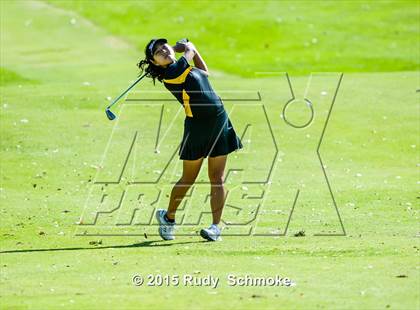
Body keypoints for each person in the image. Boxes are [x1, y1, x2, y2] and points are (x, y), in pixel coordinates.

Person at [137, 38, 243, 241]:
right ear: (155, 63)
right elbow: (190, 51)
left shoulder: (186, 69)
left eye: (164, 47)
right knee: (188, 179)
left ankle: (215, 228)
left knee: (217, 178)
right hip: (197, 127)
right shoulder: (171, 74)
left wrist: (186, 49)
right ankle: (168, 218)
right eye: (158, 52)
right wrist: (183, 47)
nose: (164, 51)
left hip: (219, 120)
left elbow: (204, 72)